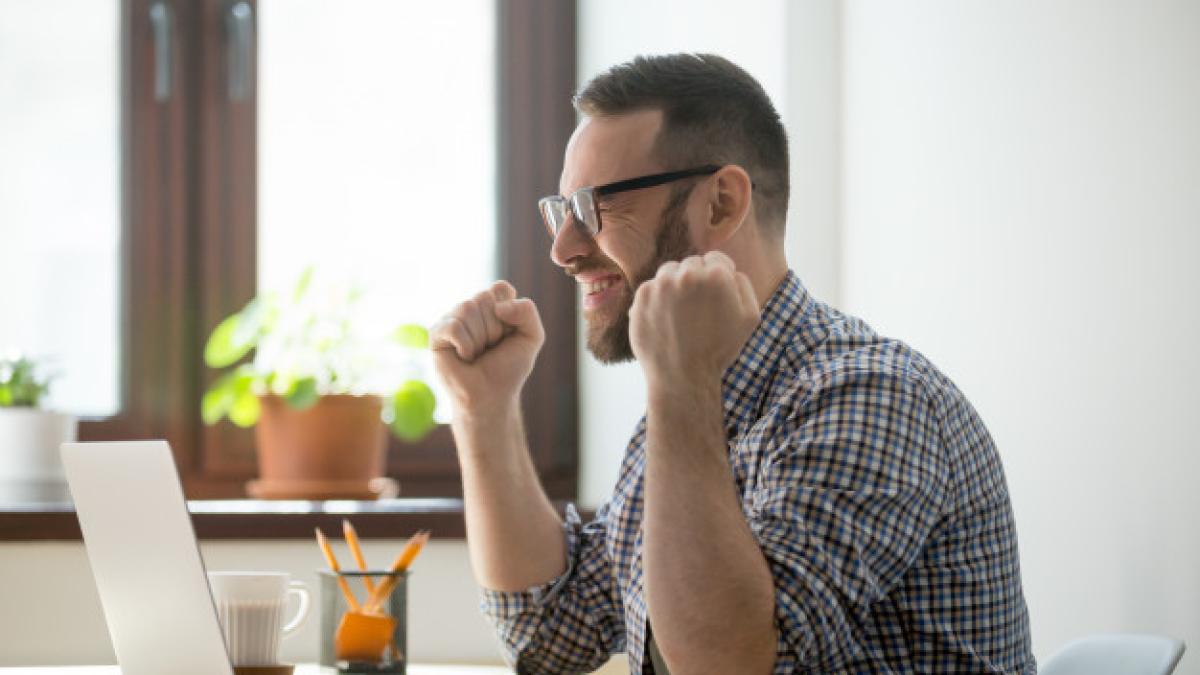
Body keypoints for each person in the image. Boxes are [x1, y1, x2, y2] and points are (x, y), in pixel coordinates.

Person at [430, 53, 1034, 674]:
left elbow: (725, 668)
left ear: (720, 203)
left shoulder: (871, 396)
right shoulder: (693, 409)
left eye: (592, 208)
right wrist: (485, 410)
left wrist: (682, 385)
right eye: (561, 212)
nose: (563, 250)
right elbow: (552, 634)